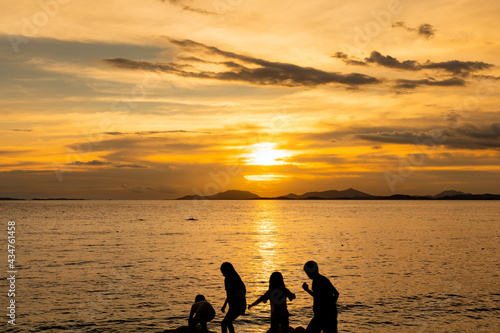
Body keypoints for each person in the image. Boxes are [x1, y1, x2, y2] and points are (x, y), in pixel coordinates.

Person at [302, 261, 339, 333]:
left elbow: (320, 297)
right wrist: (331, 306)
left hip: (322, 316)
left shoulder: (318, 281)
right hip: (329, 314)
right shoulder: (323, 279)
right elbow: (319, 297)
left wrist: (328, 308)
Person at [220, 262, 246, 333]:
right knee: (228, 322)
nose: (222, 274)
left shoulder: (228, 279)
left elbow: (229, 293)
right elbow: (243, 291)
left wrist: (224, 306)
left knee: (224, 323)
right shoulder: (237, 279)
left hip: (235, 305)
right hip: (242, 304)